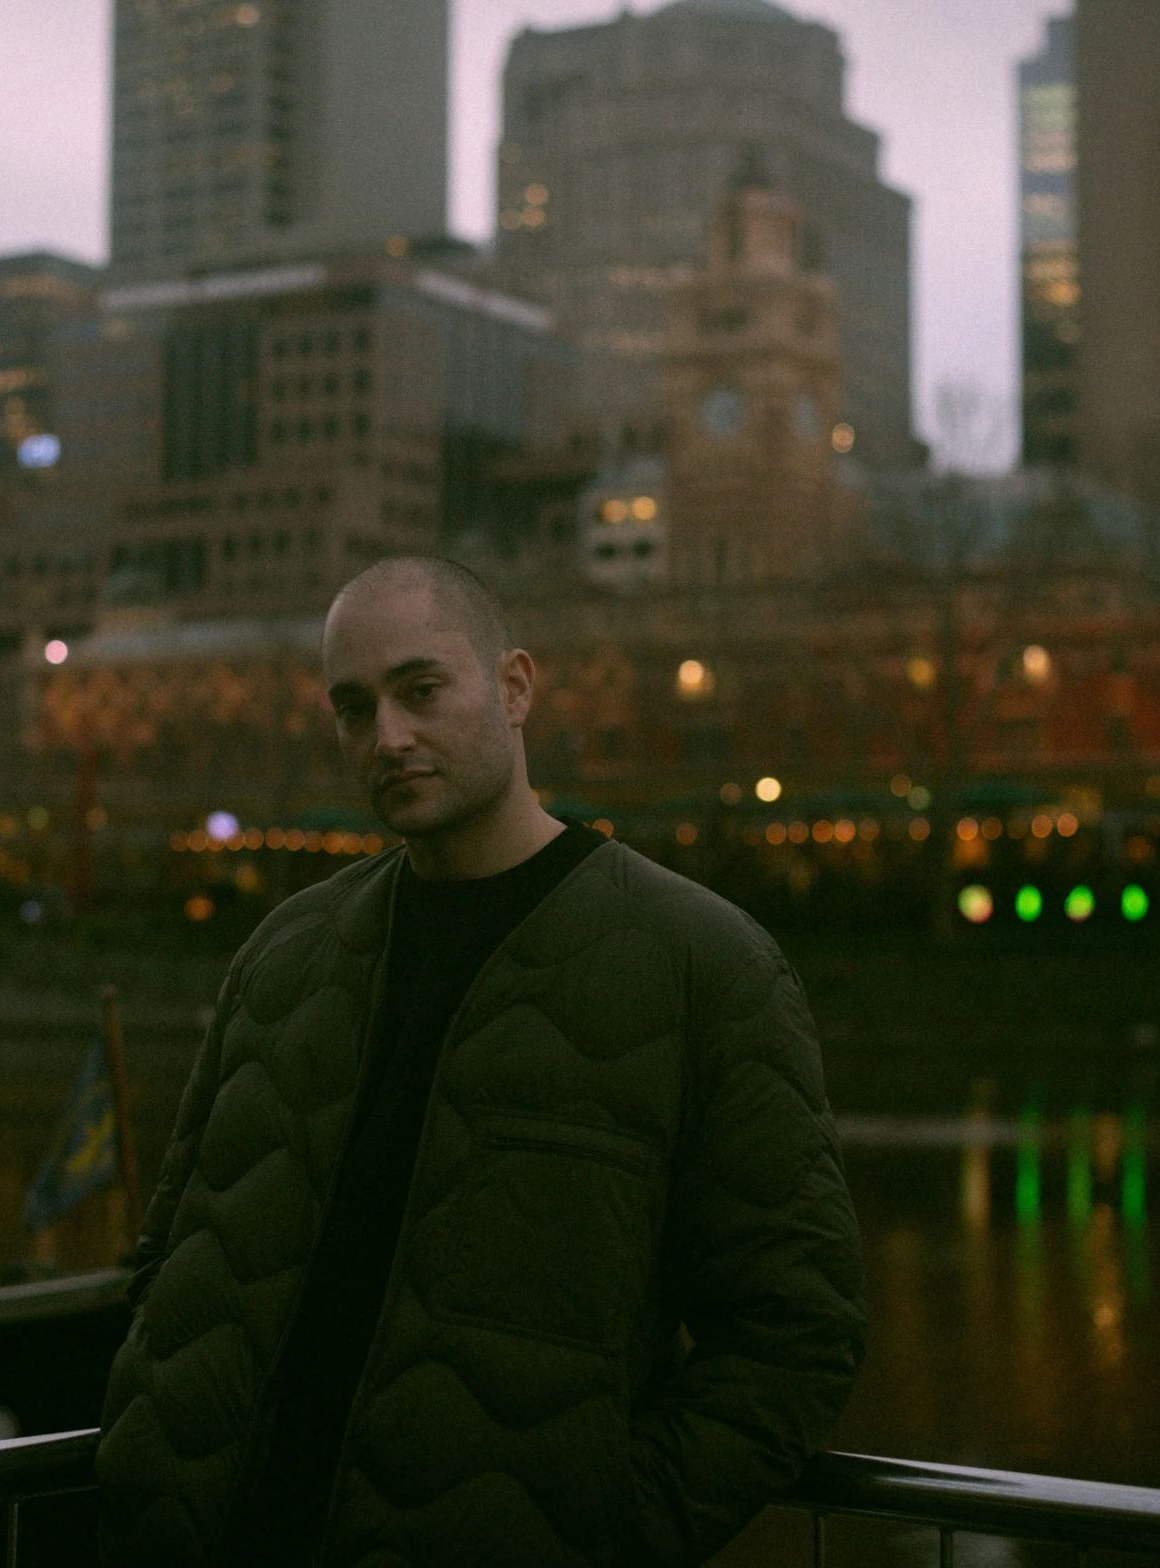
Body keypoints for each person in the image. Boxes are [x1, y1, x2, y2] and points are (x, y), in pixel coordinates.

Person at [95, 557, 865, 1566]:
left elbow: (794, 1332)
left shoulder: (703, 963)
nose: (389, 738)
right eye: (353, 708)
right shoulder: (285, 954)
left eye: (420, 691)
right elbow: (171, 1254)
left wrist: (603, 1528)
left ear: (515, 687)